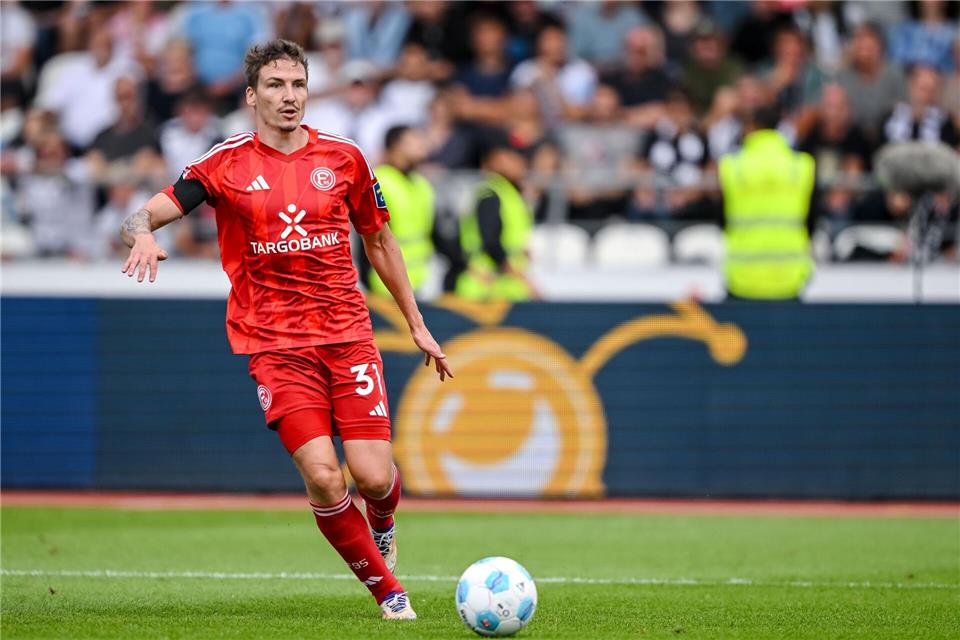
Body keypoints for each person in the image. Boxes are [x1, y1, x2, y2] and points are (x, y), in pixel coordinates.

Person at [118, 39, 452, 620]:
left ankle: (384, 518)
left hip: (348, 336)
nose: (289, 96)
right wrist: (143, 232)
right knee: (325, 477)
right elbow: (144, 212)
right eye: (275, 86)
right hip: (276, 347)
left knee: (373, 477)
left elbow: (379, 240)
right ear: (252, 97)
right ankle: (389, 593)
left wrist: (417, 325)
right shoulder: (223, 164)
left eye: (297, 85)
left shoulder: (345, 158)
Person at [718, 107, 815, 301]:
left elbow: (720, 218)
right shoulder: (800, 166)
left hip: (742, 276)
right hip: (790, 276)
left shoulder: (732, 166)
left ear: (751, 126)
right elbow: (812, 219)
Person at [456, 135, 536, 300]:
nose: (522, 163)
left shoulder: (508, 192)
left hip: (501, 283)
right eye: (515, 157)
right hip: (485, 284)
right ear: (496, 159)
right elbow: (490, 240)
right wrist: (518, 275)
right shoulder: (491, 194)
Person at [365, 125, 436, 297]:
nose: (421, 145)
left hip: (421, 282)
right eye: (413, 139)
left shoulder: (421, 184)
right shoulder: (378, 181)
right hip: (385, 285)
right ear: (394, 146)